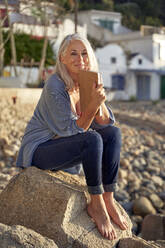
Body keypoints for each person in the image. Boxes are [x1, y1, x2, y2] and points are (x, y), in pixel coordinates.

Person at [16, 33, 128, 240]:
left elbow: (105, 123)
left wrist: (99, 99)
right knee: (92, 139)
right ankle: (95, 204)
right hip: (40, 150)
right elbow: (71, 130)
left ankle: (107, 197)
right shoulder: (55, 85)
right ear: (62, 58)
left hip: (62, 148)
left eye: (85, 53)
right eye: (73, 54)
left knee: (113, 134)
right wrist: (93, 105)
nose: (80, 59)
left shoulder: (85, 81)